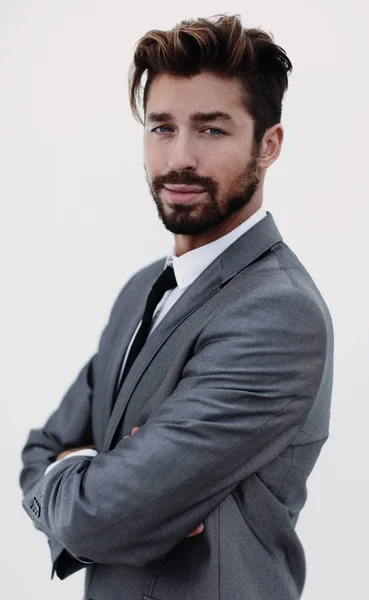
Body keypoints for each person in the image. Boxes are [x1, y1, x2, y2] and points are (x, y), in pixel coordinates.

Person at [20, 14, 334, 600]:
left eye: (211, 130)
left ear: (269, 145)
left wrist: (98, 484)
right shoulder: (143, 289)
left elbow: (97, 515)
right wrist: (101, 480)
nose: (179, 158)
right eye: (162, 128)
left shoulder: (278, 314)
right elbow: (41, 447)